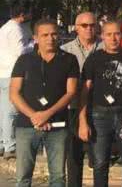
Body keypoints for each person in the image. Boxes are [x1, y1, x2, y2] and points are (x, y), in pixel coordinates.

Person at [10, 19, 79, 187]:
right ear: (36, 37)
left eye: (54, 34)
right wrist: (34, 116)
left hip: (58, 125)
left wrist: (47, 114)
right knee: (23, 177)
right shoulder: (24, 60)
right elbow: (14, 93)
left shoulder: (69, 60)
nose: (50, 38)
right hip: (27, 125)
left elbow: (71, 92)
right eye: (45, 35)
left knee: (58, 177)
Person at [79, 21, 122, 187]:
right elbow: (85, 91)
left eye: (117, 34)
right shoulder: (94, 58)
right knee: (100, 163)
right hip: (100, 115)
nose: (113, 38)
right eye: (108, 34)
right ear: (102, 36)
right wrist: (82, 121)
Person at [61, 12, 102, 187]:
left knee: (99, 158)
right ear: (76, 27)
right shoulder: (65, 50)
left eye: (92, 25)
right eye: (84, 25)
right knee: (74, 155)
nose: (89, 28)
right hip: (73, 107)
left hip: (99, 108)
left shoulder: (104, 47)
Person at [0, 3, 31, 160]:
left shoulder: (4, 28)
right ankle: (10, 146)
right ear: (22, 15)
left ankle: (2, 143)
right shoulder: (16, 29)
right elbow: (20, 51)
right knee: (11, 111)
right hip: (12, 73)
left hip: (2, 72)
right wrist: (33, 44)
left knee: (3, 111)